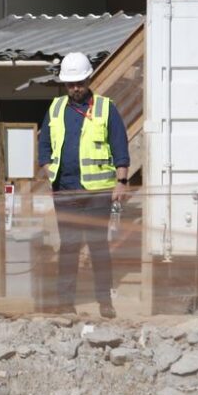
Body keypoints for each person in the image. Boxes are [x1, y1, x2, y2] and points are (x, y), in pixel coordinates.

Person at [38, 52, 130, 319]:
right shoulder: (56, 108)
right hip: (65, 191)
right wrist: (48, 169)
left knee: (98, 247)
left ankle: (105, 301)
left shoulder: (105, 108)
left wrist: (121, 181)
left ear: (89, 79)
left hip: (97, 192)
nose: (75, 88)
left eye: (79, 83)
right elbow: (44, 146)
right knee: (68, 247)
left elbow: (120, 147)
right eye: (70, 84)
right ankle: (65, 302)